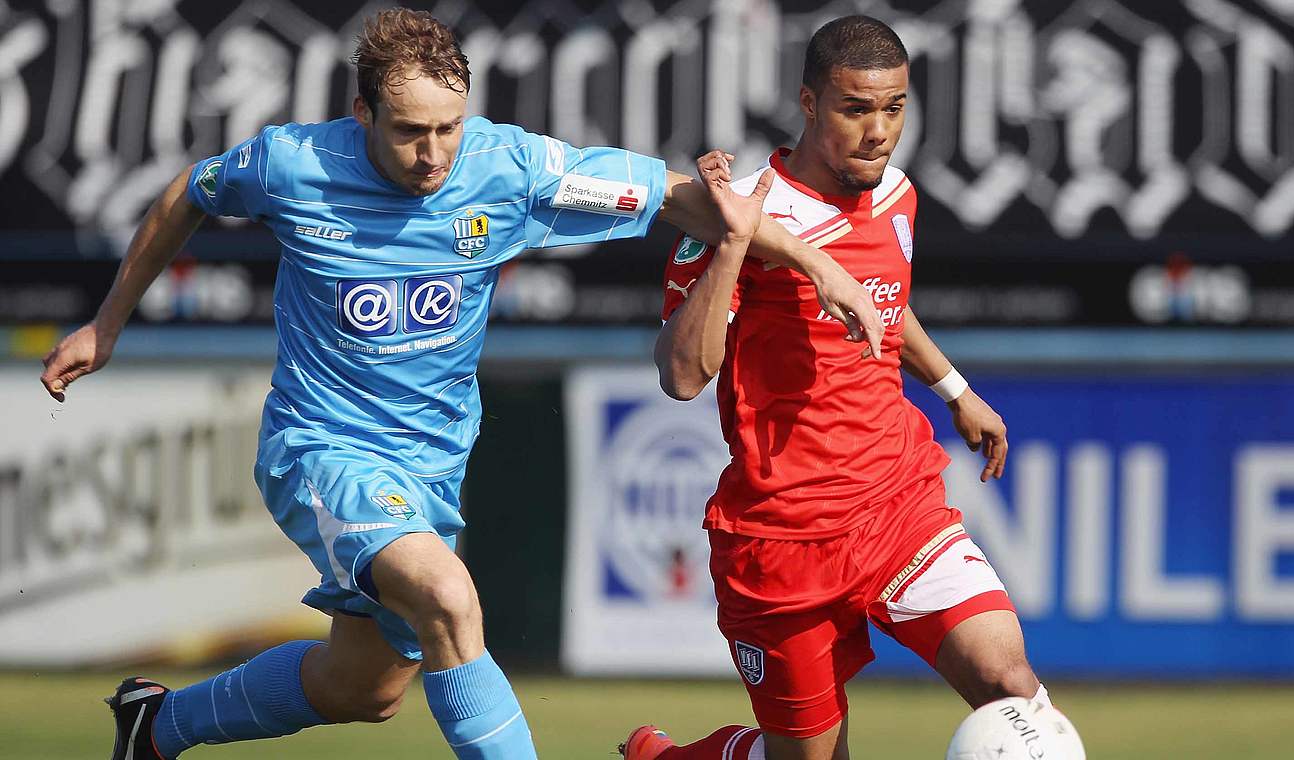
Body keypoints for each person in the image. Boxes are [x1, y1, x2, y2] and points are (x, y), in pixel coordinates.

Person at [38, 9, 884, 760]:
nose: (433, 154)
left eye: (448, 128)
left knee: (362, 689)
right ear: (361, 112)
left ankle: (159, 726)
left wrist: (820, 267)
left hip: (431, 470)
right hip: (323, 449)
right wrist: (107, 322)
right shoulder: (291, 165)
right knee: (449, 598)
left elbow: (691, 202)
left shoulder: (509, 167)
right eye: (409, 131)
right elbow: (191, 189)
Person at [622, 16, 1052, 760]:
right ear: (810, 103)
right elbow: (682, 374)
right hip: (782, 536)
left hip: (896, 503)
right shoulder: (742, 213)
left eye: (894, 108)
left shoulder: (898, 198)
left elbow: (886, 300)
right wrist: (730, 244)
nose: (878, 132)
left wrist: (954, 389)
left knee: (1011, 686)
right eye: (856, 109)